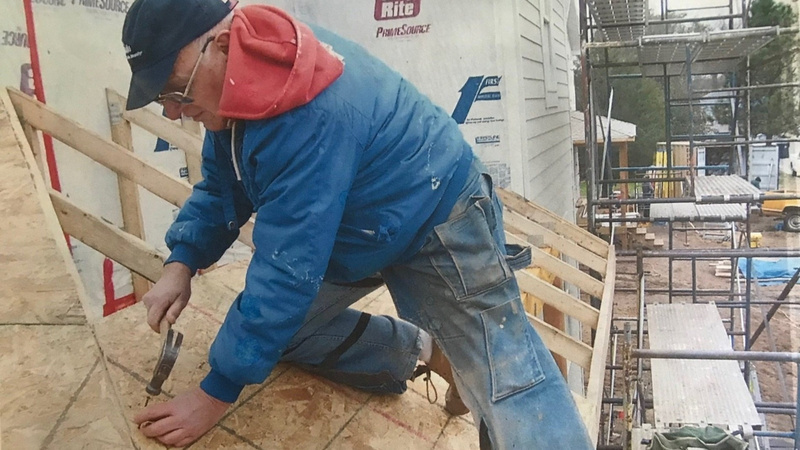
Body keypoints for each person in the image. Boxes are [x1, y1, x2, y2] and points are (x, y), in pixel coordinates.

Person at [123, 0, 593, 447]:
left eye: (176, 90)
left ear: (222, 46)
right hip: (360, 226)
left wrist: (214, 394)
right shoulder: (240, 88)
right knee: (277, 335)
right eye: (163, 99)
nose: (171, 111)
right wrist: (180, 262)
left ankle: (467, 352)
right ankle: (425, 349)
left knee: (508, 382)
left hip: (438, 216)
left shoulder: (303, 113)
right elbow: (223, 187)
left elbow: (288, 269)